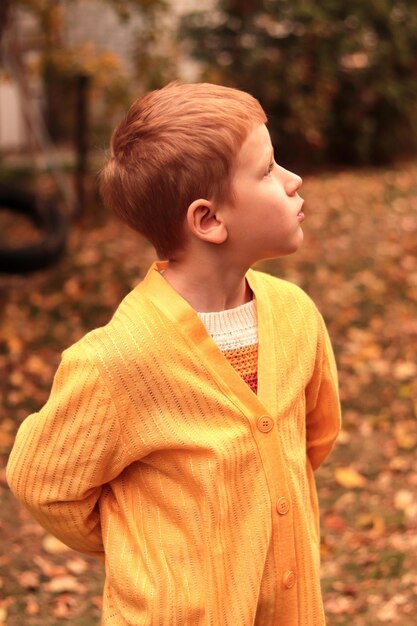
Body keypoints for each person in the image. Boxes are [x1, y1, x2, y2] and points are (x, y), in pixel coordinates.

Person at [7, 82, 341, 626]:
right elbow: (43, 482)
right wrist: (147, 543)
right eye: (266, 170)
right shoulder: (118, 361)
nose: (292, 180)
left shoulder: (296, 316)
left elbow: (313, 436)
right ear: (208, 220)